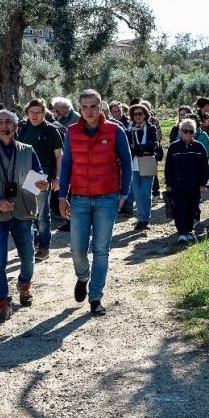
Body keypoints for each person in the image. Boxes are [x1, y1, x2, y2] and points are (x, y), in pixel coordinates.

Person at [58, 89, 132, 316]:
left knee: (101, 250)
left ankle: (96, 297)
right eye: (85, 107)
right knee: (77, 249)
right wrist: (62, 196)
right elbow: (67, 165)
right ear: (79, 109)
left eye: (93, 106)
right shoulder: (71, 132)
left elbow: (127, 164)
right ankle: (82, 277)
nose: (89, 111)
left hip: (107, 198)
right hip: (79, 198)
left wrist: (123, 194)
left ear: (101, 107)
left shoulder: (115, 130)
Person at [0, 109, 49, 323]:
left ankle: (24, 284)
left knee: (28, 259)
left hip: (23, 213)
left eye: (9, 122)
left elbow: (38, 177)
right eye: (0, 123)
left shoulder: (28, 151)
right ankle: (3, 303)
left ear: (15, 127)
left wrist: (43, 184)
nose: (5, 126)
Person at [16, 99, 63, 260]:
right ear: (27, 113)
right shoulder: (23, 129)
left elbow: (59, 156)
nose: (34, 116)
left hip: (43, 178)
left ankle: (44, 247)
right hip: (23, 177)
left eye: (38, 112)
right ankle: (33, 242)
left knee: (42, 215)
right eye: (31, 112)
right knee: (26, 214)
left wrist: (58, 178)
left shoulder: (51, 131)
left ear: (44, 113)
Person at [165, 118, 209, 243]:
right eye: (185, 131)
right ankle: (181, 233)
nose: (188, 134)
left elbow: (205, 166)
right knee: (180, 208)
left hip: (194, 185)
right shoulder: (173, 147)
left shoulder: (199, 147)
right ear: (180, 131)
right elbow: (168, 166)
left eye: (191, 131)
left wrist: (203, 183)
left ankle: (189, 231)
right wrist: (168, 184)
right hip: (177, 185)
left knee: (192, 208)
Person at [126, 103, 161, 231]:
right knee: (137, 193)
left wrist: (139, 148)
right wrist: (140, 149)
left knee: (145, 192)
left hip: (147, 162)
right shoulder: (129, 130)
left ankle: (145, 219)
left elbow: (152, 145)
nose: (138, 116)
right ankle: (140, 219)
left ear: (145, 115)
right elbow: (129, 148)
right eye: (135, 114)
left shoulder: (151, 128)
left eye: (140, 114)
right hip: (134, 164)